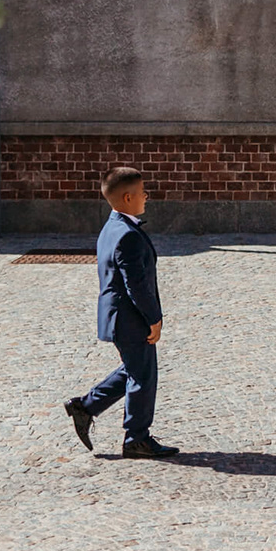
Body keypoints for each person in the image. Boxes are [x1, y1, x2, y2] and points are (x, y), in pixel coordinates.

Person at [64, 167, 178, 458]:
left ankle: (86, 406)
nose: (146, 196)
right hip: (129, 319)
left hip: (118, 317)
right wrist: (154, 319)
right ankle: (136, 439)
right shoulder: (128, 235)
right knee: (143, 377)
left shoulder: (112, 226)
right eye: (142, 192)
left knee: (135, 369)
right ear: (128, 197)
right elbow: (136, 286)